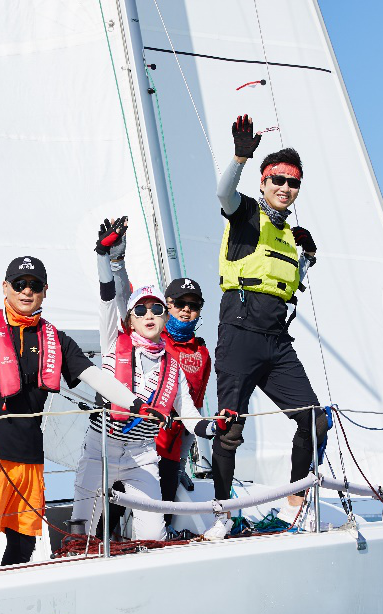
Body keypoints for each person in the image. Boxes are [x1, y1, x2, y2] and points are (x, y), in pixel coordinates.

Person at [0, 212, 153, 571]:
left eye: (34, 285)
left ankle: (7, 599)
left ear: (44, 291)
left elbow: (94, 375)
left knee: (23, 547)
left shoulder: (55, 340)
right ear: (5, 287)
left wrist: (136, 403)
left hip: (30, 459)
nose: (26, 291)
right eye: (19, 284)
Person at [206, 115, 329, 540]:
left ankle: (293, 507)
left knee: (314, 420)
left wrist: (307, 258)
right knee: (229, 427)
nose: (285, 187)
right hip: (239, 333)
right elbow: (223, 194)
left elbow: (288, 286)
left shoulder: (291, 236)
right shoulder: (245, 214)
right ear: (263, 181)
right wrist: (240, 157)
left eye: (293, 183)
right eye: (278, 179)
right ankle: (223, 515)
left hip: (277, 341)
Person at [71, 217, 191, 541]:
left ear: (166, 317)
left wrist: (215, 427)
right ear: (130, 319)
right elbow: (107, 298)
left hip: (143, 455)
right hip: (101, 447)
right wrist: (104, 256)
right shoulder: (113, 341)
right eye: (140, 310)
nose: (148, 314)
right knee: (81, 535)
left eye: (156, 309)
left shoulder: (173, 366)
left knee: (153, 537)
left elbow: (191, 414)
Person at [158, 277, 212, 523]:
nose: (186, 310)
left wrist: (182, 461)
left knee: (165, 510)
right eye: (180, 304)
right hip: (144, 441)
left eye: (194, 305)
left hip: (174, 445)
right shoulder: (153, 339)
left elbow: (196, 405)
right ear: (167, 305)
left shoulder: (202, 351)